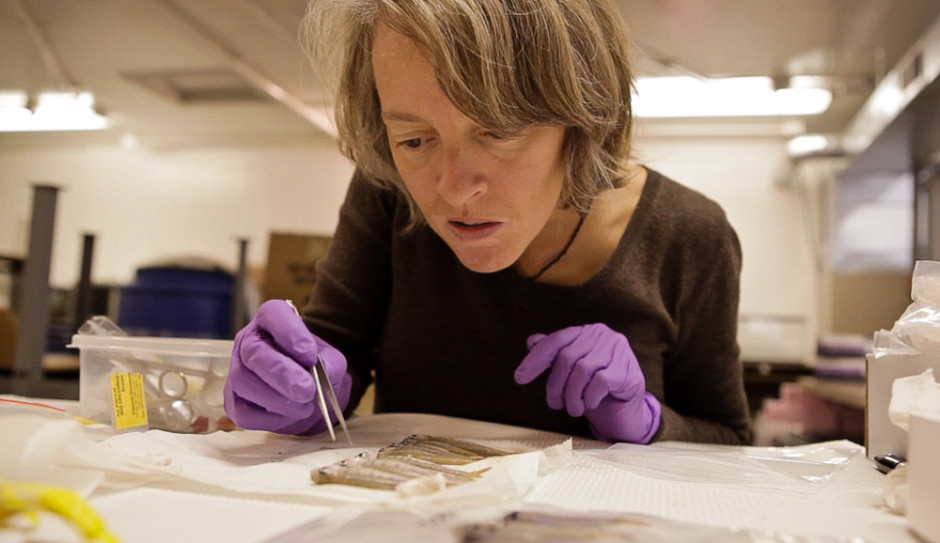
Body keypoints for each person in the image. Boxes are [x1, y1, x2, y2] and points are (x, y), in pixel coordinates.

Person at [223, 0, 752, 444]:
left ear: (582, 118)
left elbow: (729, 438)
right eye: (414, 140)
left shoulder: (690, 234)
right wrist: (298, 391)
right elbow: (336, 350)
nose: (452, 189)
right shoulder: (387, 190)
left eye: (498, 131)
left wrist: (649, 422)